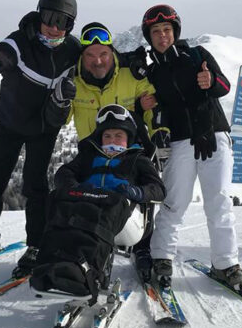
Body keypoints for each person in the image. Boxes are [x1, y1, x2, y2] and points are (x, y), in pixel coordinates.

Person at [0, 0, 81, 278]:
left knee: (35, 187)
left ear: (70, 26)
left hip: (44, 129)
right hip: (9, 124)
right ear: (39, 14)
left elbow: (101, 59)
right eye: (49, 17)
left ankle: (36, 246)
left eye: (64, 22)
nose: (54, 27)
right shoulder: (19, 42)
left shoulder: (73, 49)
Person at [141, 4, 242, 288]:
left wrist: (210, 81)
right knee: (174, 201)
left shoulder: (198, 55)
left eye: (167, 30)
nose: (163, 36)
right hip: (179, 141)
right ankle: (162, 257)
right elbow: (154, 110)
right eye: (156, 32)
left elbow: (224, 86)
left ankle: (226, 264)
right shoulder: (152, 73)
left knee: (219, 201)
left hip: (213, 134)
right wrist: (146, 105)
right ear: (149, 37)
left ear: (175, 32)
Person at [30, 104, 166, 300]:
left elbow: (159, 189)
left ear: (128, 139)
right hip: (87, 203)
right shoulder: (89, 156)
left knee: (106, 209)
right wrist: (74, 188)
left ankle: (88, 273)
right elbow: (64, 173)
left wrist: (136, 191)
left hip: (124, 215)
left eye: (118, 136)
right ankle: (50, 263)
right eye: (107, 136)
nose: (112, 141)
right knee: (56, 199)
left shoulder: (137, 160)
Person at [67, 22, 159, 277]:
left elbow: (153, 104)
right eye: (91, 56)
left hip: (132, 153)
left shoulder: (131, 77)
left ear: (112, 53)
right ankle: (86, 253)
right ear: (83, 58)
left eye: (103, 54)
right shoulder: (74, 84)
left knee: (136, 200)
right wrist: (60, 99)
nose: (98, 61)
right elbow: (60, 119)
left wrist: (158, 129)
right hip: (92, 156)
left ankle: (143, 247)